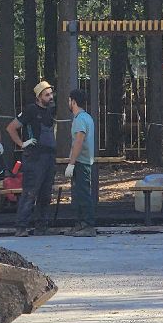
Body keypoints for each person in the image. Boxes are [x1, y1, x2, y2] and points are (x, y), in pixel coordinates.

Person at [8, 81, 58, 234]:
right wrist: (22, 144)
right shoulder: (30, 110)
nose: (50, 97)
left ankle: (42, 227)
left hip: (49, 158)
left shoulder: (50, 112)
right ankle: (21, 226)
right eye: (47, 95)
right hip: (34, 158)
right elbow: (11, 128)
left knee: (45, 194)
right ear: (39, 97)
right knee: (30, 193)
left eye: (51, 94)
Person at [63, 88, 97, 236]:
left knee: (83, 194)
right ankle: (80, 223)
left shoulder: (80, 119)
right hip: (84, 161)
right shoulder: (86, 117)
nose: (68, 103)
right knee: (78, 194)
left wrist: (71, 163)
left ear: (73, 101)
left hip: (81, 162)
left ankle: (88, 225)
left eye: (69, 100)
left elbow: (78, 141)